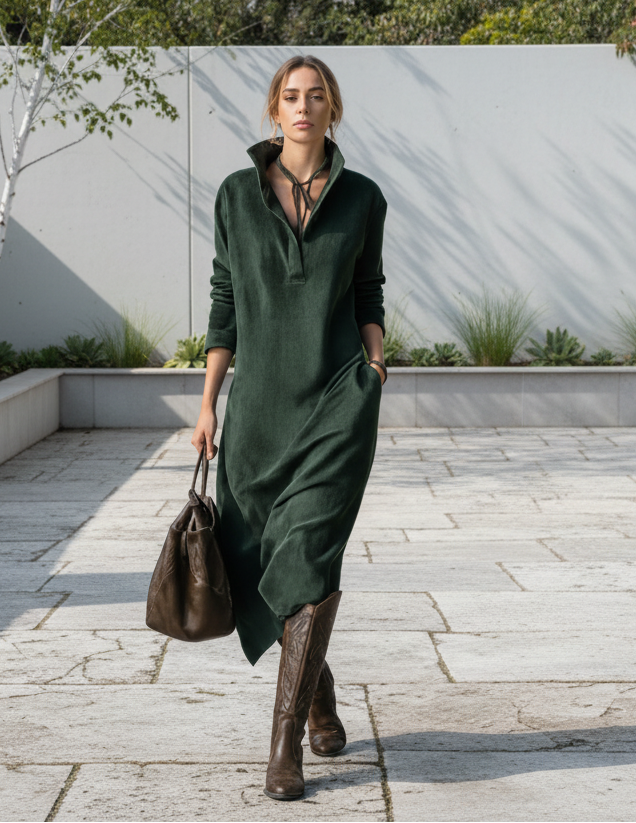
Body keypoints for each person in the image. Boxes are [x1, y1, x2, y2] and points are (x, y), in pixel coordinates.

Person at [191, 54, 387, 801]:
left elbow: (367, 289)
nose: (303, 107)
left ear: (332, 109)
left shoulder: (363, 197)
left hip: (338, 404)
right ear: (274, 110)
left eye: (317, 96)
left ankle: (284, 746)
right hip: (258, 412)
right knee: (258, 566)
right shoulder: (235, 196)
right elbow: (224, 299)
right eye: (291, 96)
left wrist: (374, 363)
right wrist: (208, 404)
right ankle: (320, 692)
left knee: (306, 553)